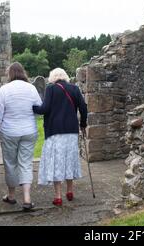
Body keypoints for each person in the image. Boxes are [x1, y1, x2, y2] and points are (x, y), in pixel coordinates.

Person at [33, 68, 87, 206]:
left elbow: (44, 109)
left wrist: (33, 107)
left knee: (57, 161)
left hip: (55, 131)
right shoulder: (74, 88)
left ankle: (58, 196)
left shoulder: (51, 88)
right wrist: (83, 124)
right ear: (65, 76)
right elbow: (83, 107)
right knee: (69, 159)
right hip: (71, 131)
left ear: (52, 77)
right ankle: (70, 191)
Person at [0, 62, 42, 211]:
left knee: (10, 163)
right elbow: (38, 108)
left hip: (9, 132)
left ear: (10, 74)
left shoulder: (4, 89)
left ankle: (12, 196)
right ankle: (27, 199)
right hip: (29, 131)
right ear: (23, 72)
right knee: (26, 163)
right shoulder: (31, 88)